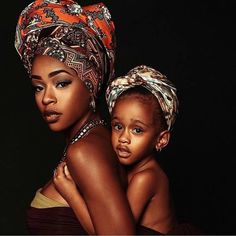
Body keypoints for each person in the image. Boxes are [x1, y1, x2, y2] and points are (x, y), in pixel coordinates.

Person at [14, 0, 136, 234]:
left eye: (61, 83)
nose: (47, 98)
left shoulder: (84, 151)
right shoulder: (96, 139)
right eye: (38, 87)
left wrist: (70, 194)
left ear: (91, 83)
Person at [54, 65, 182, 234]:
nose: (123, 138)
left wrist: (70, 194)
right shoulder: (127, 169)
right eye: (118, 126)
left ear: (161, 140)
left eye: (137, 130)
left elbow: (109, 232)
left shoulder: (146, 178)